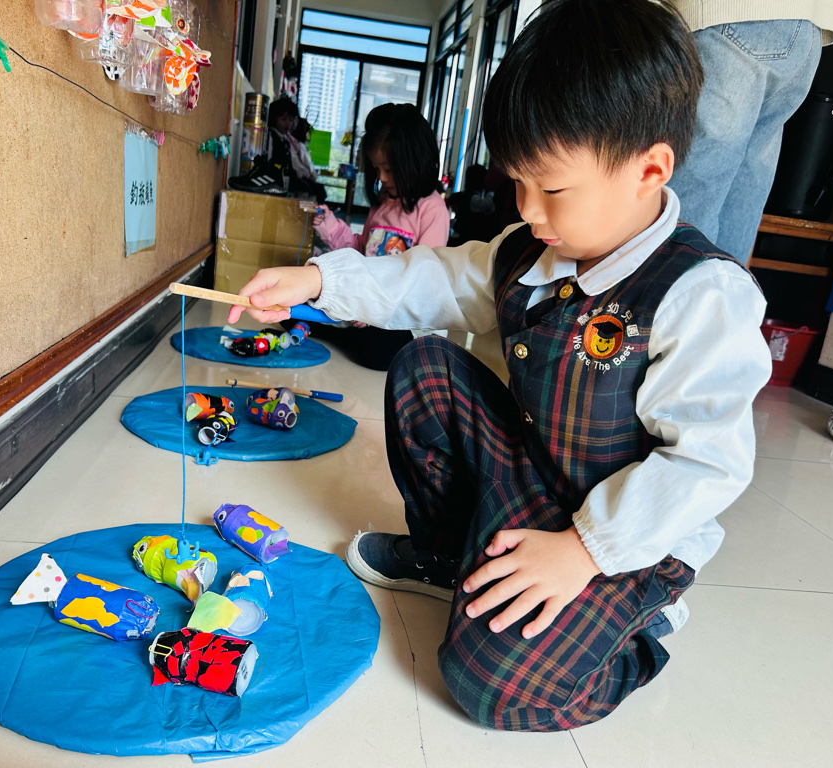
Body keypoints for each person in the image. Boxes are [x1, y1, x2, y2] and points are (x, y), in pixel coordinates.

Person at [229, 0, 771, 731]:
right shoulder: (527, 249)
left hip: (628, 534)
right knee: (425, 367)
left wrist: (584, 551)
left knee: (491, 685)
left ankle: (638, 633)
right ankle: (451, 558)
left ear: (649, 170)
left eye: (553, 189)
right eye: (519, 183)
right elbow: (428, 279)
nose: (530, 210)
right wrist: (319, 280)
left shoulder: (700, 294)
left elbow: (706, 465)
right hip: (536, 478)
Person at [667, 2, 833, 261]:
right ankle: (713, 286)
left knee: (691, 180)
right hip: (807, 29)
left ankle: (667, 284)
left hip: (732, 16)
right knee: (746, 180)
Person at [303, 102, 449, 371]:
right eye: (376, 168)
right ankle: (343, 329)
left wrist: (372, 308)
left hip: (403, 316)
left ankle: (340, 331)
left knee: (378, 349)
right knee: (301, 301)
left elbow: (421, 282)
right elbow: (360, 251)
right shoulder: (383, 201)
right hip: (365, 306)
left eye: (389, 169)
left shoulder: (433, 209)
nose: (381, 178)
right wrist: (329, 226)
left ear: (415, 161)